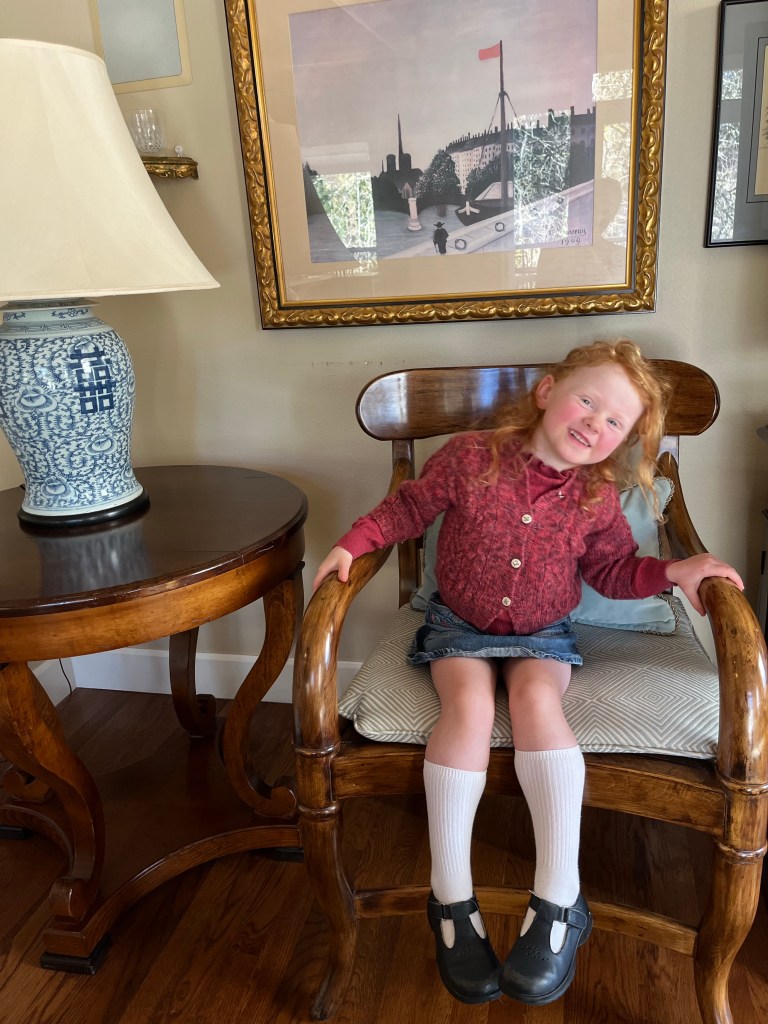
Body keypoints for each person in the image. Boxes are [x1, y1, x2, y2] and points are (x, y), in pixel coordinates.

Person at [312, 340, 743, 1007]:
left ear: (624, 439)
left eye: (615, 420)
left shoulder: (597, 497)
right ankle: (450, 898)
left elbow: (613, 572)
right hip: (459, 626)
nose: (594, 422)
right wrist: (353, 543)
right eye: (587, 400)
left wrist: (673, 570)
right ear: (547, 392)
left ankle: (559, 898)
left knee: (539, 702)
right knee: (468, 711)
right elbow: (407, 509)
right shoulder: (470, 457)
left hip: (543, 634)